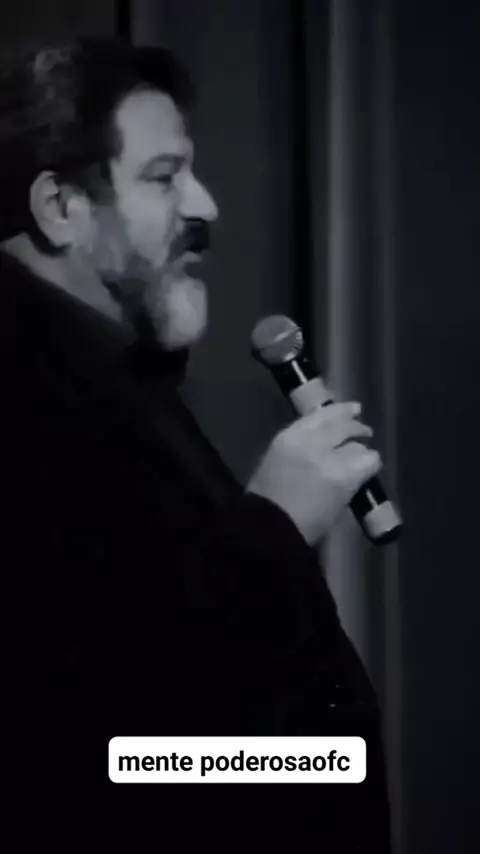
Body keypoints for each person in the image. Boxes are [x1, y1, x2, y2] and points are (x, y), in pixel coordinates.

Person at [0, 38, 391, 852]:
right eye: (162, 176)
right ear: (60, 206)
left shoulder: (112, 377)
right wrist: (274, 525)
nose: (205, 205)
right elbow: (101, 737)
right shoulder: (24, 392)